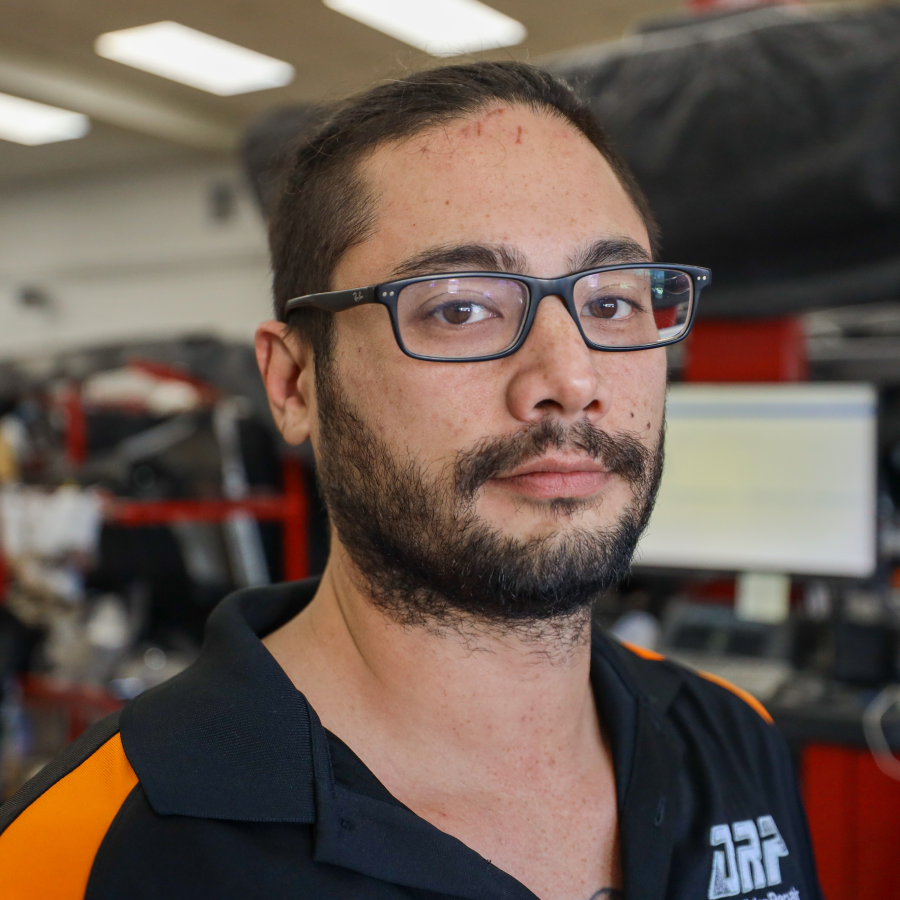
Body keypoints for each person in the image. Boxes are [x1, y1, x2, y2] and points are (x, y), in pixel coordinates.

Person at [0, 61, 822, 900]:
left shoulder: (731, 739)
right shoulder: (81, 856)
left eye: (611, 303)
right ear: (293, 385)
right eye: (460, 308)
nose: (571, 378)